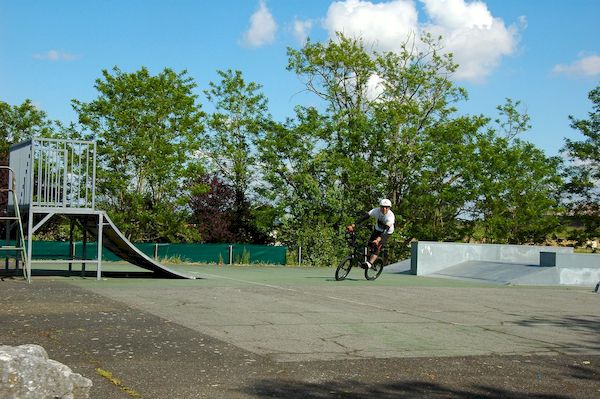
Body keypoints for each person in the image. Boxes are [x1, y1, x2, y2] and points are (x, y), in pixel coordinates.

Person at [347, 199, 395, 268]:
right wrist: (353, 225)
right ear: (380, 207)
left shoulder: (390, 217)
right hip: (377, 229)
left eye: (386, 207)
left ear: (389, 208)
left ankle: (370, 263)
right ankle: (368, 257)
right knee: (370, 244)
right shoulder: (375, 211)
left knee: (377, 246)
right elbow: (364, 217)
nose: (384, 209)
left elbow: (385, 230)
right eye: (382, 207)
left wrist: (378, 240)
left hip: (387, 232)